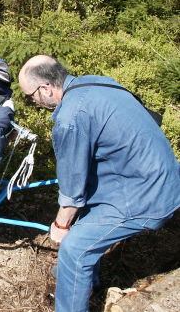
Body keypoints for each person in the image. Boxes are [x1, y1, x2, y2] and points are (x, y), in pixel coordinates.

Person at [18, 55, 180, 312]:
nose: (32, 102)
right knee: (85, 216)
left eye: (30, 96)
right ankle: (81, 280)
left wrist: (61, 225)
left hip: (147, 195)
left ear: (46, 87)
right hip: (160, 174)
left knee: (74, 250)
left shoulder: (71, 117)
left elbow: (71, 190)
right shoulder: (98, 83)